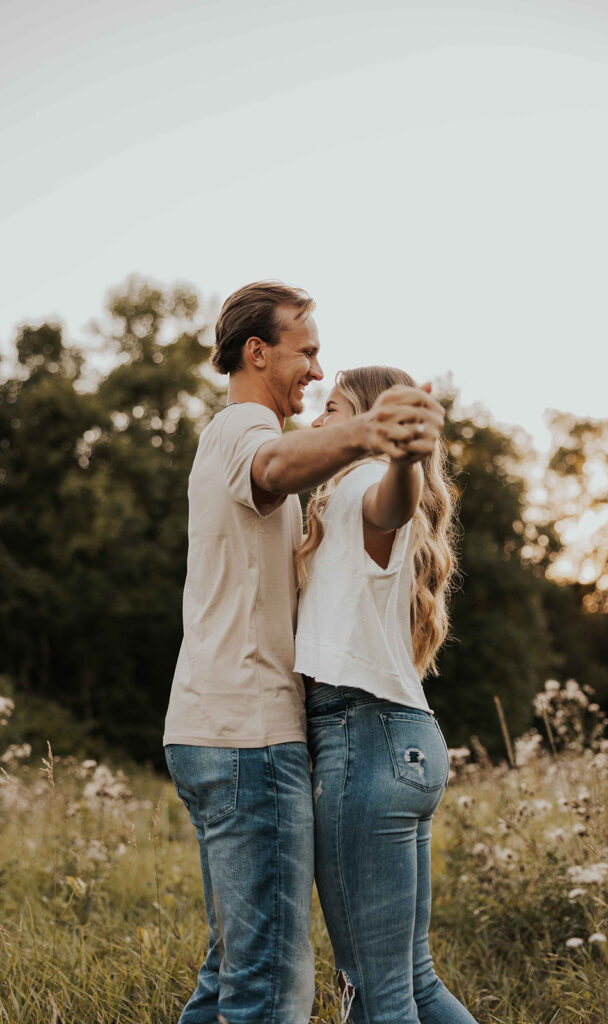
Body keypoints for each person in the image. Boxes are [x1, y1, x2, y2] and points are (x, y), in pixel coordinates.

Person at [162, 283, 446, 1024]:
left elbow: (377, 504)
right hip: (248, 738)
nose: (316, 372)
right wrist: (368, 433)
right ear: (257, 352)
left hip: (223, 730)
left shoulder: (306, 479)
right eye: (307, 351)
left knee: (232, 973)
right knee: (267, 990)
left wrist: (387, 456)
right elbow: (277, 467)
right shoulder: (243, 433)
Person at [294, 366, 479, 1024]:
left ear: (367, 424)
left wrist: (400, 457)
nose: (316, 421)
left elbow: (389, 501)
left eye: (332, 407)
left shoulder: (360, 486)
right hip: (403, 742)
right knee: (414, 986)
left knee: (374, 995)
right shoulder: (341, 503)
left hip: (361, 739)